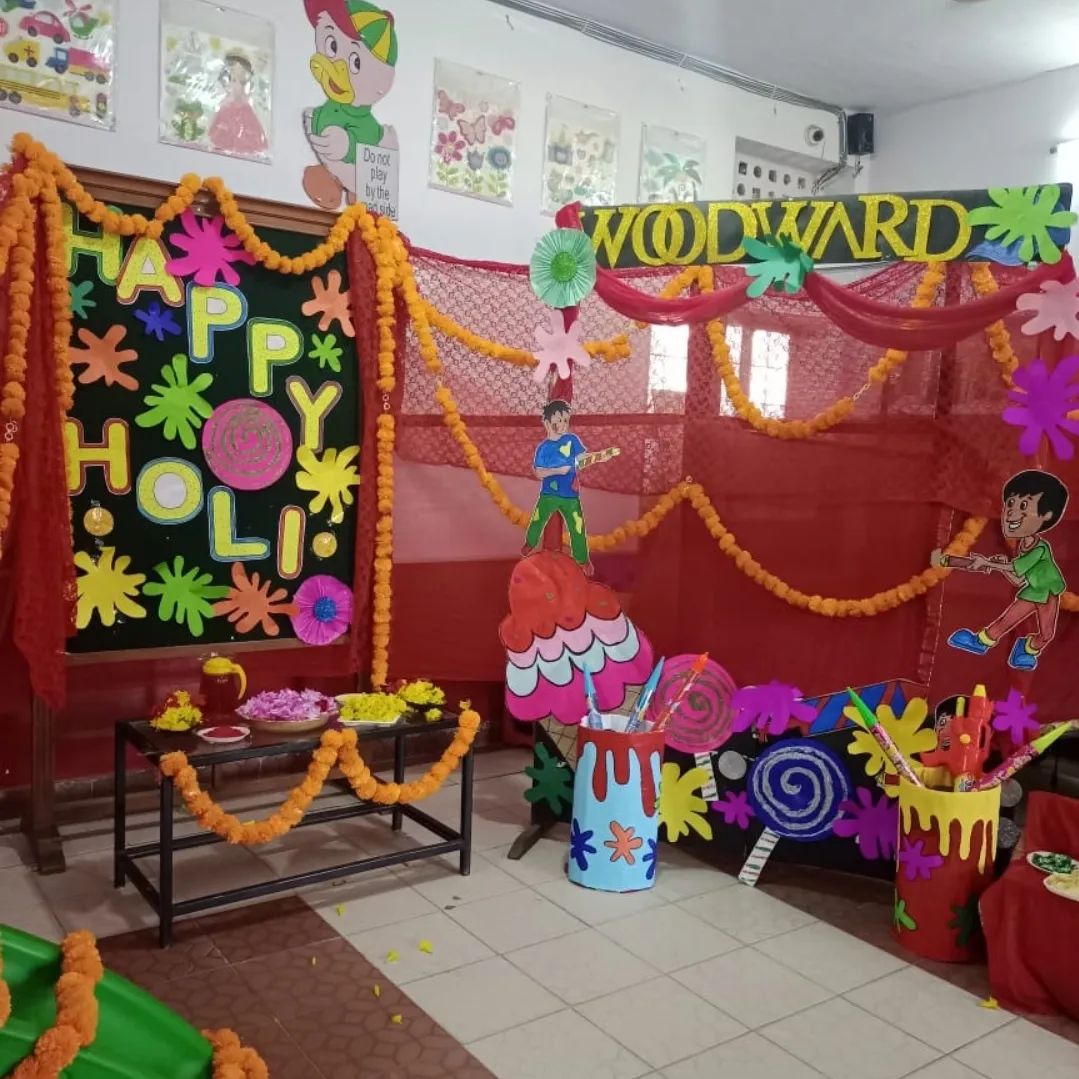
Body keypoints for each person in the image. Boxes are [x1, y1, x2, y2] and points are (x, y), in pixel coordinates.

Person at [947, 470, 1069, 671]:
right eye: (1010, 503)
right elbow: (1017, 579)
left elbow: (1015, 567)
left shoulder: (1040, 548)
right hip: (1033, 591)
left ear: (1046, 516)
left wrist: (989, 563)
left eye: (1024, 506)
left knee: (1046, 635)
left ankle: (1027, 649)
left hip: (1048, 594)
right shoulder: (1023, 546)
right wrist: (1000, 566)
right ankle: (980, 641)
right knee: (1006, 620)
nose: (1011, 512)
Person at [209, 52, 267, 157]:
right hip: (229, 110)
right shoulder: (225, 107)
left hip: (243, 111)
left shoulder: (247, 108)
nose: (238, 86)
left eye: (242, 82)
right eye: (234, 80)